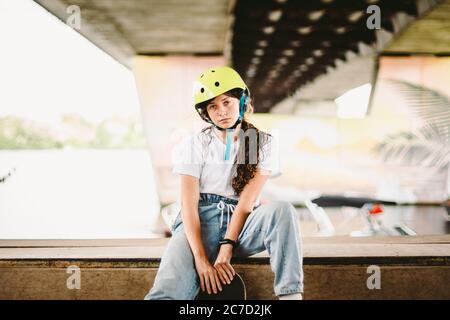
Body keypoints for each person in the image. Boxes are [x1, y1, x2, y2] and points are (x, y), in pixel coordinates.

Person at [144, 66, 303, 300]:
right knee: (165, 293)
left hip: (244, 225)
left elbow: (247, 202)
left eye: (227, 102)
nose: (221, 112)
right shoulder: (195, 145)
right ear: (206, 113)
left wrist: (227, 246)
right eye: (213, 106)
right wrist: (200, 260)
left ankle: (291, 296)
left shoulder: (259, 142)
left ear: (242, 101)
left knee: (282, 211)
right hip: (201, 222)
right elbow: (188, 206)